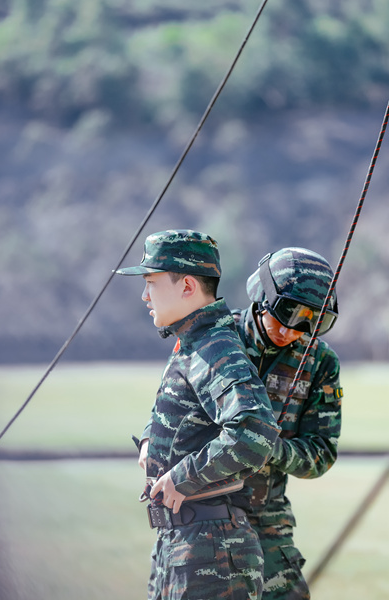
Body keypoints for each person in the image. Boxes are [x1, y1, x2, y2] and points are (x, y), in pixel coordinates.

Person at [116, 229, 281, 600]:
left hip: (211, 553)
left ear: (187, 285)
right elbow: (185, 409)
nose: (145, 295)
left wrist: (183, 477)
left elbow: (255, 432)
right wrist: (149, 440)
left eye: (152, 283)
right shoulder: (194, 342)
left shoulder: (214, 346)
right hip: (188, 544)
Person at [232, 247, 343, 600]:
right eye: (289, 312)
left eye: (315, 320)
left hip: (267, 523)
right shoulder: (217, 339)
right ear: (263, 294)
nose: (296, 329)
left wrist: (272, 449)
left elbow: (321, 454)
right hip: (200, 518)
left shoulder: (319, 362)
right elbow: (168, 413)